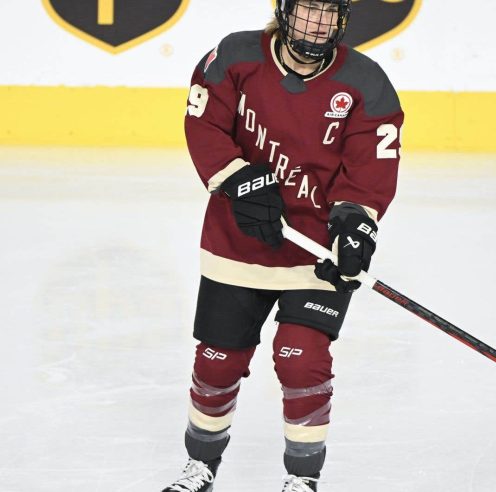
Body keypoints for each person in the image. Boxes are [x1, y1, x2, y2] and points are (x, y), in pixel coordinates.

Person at [163, 0, 403, 491]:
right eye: (307, 10)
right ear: (284, 10)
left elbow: (371, 168)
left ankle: (302, 479)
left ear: (342, 19)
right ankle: (201, 465)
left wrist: (357, 226)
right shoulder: (234, 57)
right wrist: (238, 179)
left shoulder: (367, 82)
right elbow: (204, 125)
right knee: (218, 360)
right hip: (236, 243)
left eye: (328, 13)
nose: (316, 24)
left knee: (301, 361)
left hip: (316, 254)